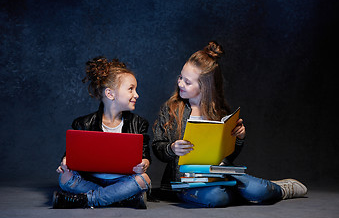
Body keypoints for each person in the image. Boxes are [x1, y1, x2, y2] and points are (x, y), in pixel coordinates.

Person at [152, 41, 307, 207]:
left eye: (187, 82)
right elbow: (157, 146)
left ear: (205, 87)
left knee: (258, 190)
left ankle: (280, 189)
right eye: (181, 77)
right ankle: (246, 193)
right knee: (216, 198)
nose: (180, 83)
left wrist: (239, 138)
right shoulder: (172, 108)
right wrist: (172, 149)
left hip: (219, 174)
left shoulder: (219, 112)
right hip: (186, 183)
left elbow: (227, 155)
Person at [53, 56, 151, 209]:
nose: (136, 95)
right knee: (64, 178)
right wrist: (65, 162)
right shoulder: (83, 123)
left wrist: (143, 165)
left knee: (143, 179)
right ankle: (121, 199)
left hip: (122, 181)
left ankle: (87, 200)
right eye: (131, 89)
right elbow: (70, 156)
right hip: (92, 181)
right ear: (110, 94)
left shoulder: (139, 123)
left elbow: (145, 156)